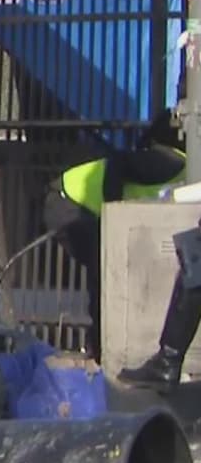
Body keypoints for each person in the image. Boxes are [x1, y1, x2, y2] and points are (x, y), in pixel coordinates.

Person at [42, 110, 187, 362]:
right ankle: (102, 352)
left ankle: (102, 348)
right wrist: (115, 215)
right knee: (107, 275)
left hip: (76, 204)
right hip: (71, 204)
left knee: (110, 275)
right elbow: (118, 163)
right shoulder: (172, 161)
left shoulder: (177, 164)